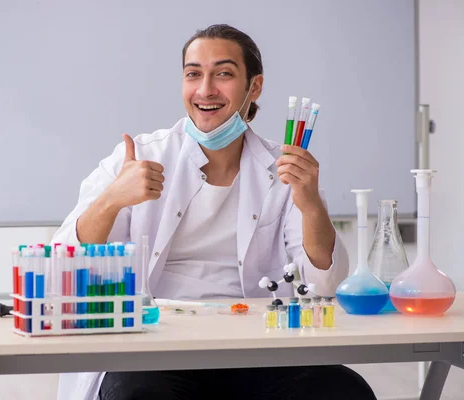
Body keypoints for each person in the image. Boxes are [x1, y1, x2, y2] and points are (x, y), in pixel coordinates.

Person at [52, 24, 376, 400]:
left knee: (343, 390)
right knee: (137, 392)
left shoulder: (284, 169)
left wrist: (311, 205)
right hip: (156, 349)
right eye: (193, 74)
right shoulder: (138, 158)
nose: (205, 89)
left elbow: (324, 285)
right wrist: (111, 200)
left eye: (223, 73)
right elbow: (63, 266)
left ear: (253, 87)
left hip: (259, 347)